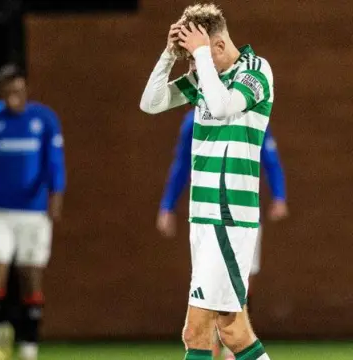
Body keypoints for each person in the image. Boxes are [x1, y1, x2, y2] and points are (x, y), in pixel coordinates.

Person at [140, 3, 276, 359]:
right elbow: (150, 103)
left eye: (200, 54)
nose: (195, 64)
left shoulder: (256, 71)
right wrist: (169, 55)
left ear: (218, 45)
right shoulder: (205, 76)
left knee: (195, 331)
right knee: (233, 330)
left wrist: (199, 55)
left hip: (229, 217)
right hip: (203, 218)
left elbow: (220, 106)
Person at [157, 109, 289, 359]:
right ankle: (217, 343)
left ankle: (221, 344)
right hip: (207, 224)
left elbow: (270, 158)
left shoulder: (248, 114)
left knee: (228, 325)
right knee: (207, 330)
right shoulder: (193, 120)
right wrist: (167, 205)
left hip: (234, 222)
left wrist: (279, 195)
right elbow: (182, 164)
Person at [0, 64, 66, 360]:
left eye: (18, 90)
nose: (13, 97)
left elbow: (54, 161)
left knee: (31, 276)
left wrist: (57, 194)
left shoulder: (44, 119)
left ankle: (29, 343)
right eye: (7, 92)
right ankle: (1, 332)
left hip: (33, 212)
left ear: (26, 90)